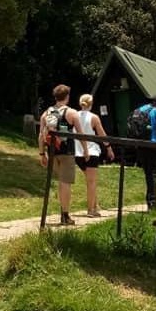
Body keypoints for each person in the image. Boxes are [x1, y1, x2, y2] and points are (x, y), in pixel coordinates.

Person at [38, 84, 89, 225]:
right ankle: (65, 215)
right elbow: (80, 134)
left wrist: (42, 153)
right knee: (65, 183)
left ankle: (61, 213)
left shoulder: (46, 113)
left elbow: (41, 135)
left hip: (52, 151)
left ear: (55, 97)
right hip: (67, 152)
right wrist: (85, 150)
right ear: (67, 97)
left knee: (60, 182)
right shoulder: (72, 113)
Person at [75, 94, 114, 217]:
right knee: (91, 182)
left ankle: (95, 205)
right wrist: (109, 148)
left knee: (89, 180)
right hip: (91, 151)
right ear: (91, 104)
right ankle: (91, 209)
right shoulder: (94, 117)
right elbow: (102, 135)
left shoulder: (74, 115)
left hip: (78, 153)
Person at [136, 95, 156, 211]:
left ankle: (152, 201)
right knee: (154, 174)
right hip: (153, 145)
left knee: (148, 174)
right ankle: (153, 203)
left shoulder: (139, 110)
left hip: (141, 146)